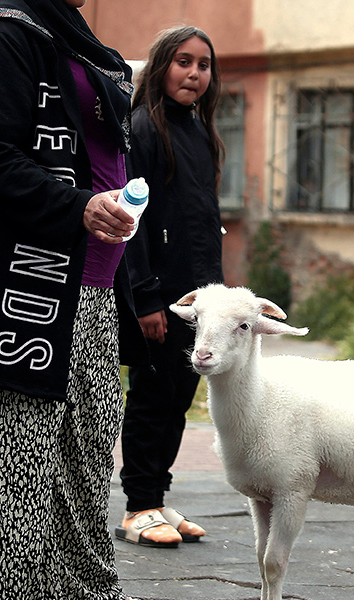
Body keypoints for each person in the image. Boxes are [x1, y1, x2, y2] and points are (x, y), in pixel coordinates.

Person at [0, 0, 178, 600]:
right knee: (20, 457)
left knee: (85, 448)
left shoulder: (64, 29)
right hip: (22, 283)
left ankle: (88, 589)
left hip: (88, 279)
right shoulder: (4, 31)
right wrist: (77, 204)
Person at [116, 26, 224, 548]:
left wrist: (214, 297)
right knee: (152, 396)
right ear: (161, 67)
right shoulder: (142, 128)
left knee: (180, 395)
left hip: (198, 297)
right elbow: (131, 219)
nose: (195, 73)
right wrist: (147, 296)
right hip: (158, 296)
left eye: (203, 65)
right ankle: (138, 505)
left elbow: (201, 222)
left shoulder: (201, 133)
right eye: (184, 62)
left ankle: (158, 496)